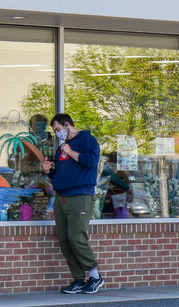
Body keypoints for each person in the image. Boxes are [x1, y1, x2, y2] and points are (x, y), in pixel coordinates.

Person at [40, 113, 104, 294]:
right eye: (55, 131)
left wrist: (69, 151)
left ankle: (95, 276)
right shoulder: (61, 148)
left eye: (58, 129)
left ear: (67, 125)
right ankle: (78, 279)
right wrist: (48, 172)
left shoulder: (87, 140)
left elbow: (91, 162)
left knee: (76, 237)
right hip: (62, 197)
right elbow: (59, 174)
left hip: (81, 196)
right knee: (65, 240)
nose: (57, 133)